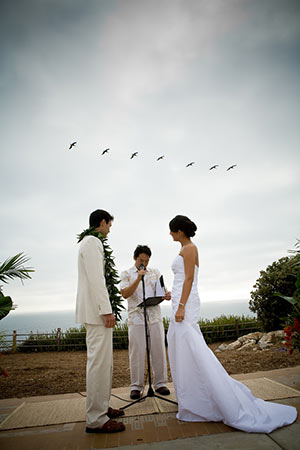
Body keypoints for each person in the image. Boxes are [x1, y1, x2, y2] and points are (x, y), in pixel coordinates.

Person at [167, 215, 297, 433]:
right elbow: (183, 280)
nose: (170, 234)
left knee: (192, 349)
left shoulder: (189, 248)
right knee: (184, 349)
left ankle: (209, 399)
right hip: (181, 300)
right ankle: (194, 399)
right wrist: (175, 298)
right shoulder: (186, 248)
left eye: (171, 230)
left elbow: (189, 278)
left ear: (179, 231)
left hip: (185, 304)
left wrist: (181, 305)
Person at [76, 209, 125, 433]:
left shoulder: (91, 243)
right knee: (98, 365)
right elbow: (97, 279)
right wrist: (106, 310)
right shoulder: (92, 243)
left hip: (97, 313)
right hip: (97, 314)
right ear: (102, 222)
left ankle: (102, 407)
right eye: (109, 226)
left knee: (105, 364)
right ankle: (96, 419)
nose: (109, 230)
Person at [120, 245, 171, 399]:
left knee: (159, 350)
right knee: (136, 353)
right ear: (135, 258)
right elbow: (125, 294)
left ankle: (160, 384)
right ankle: (136, 386)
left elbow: (162, 290)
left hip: (154, 317)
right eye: (142, 260)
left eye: (147, 261)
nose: (144, 263)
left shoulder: (155, 272)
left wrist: (166, 295)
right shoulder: (126, 274)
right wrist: (138, 278)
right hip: (136, 319)